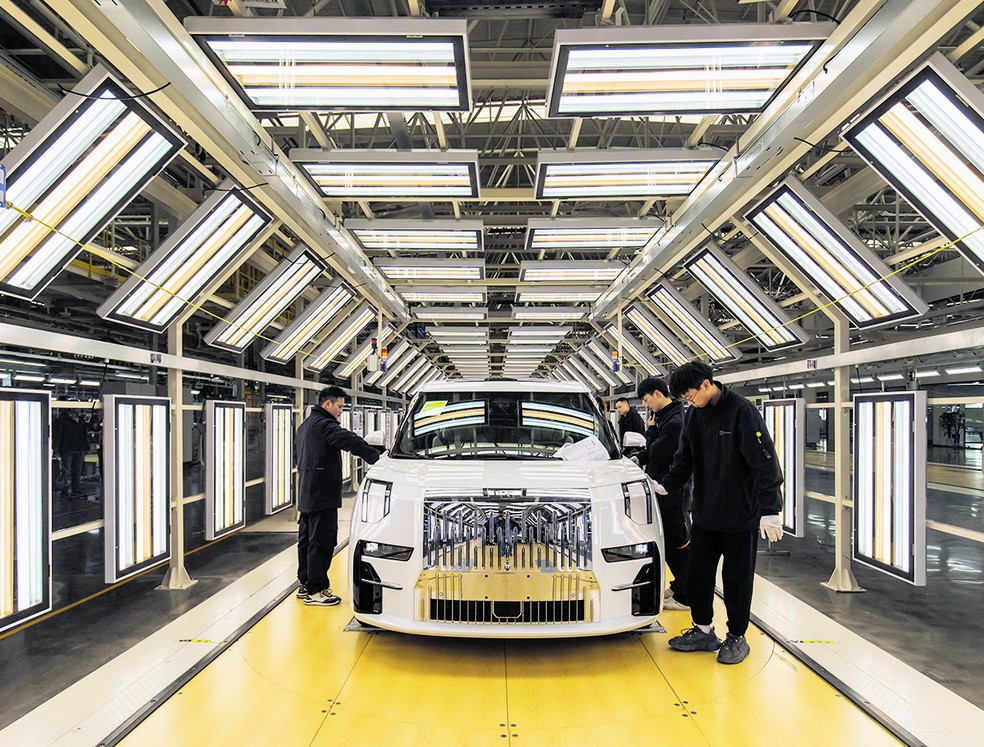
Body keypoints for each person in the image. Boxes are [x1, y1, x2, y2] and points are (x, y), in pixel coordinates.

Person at [652, 360, 783, 665]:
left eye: (690, 396)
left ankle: (737, 636)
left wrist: (770, 508)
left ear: (706, 385)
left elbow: (764, 461)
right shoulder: (694, 417)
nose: (689, 402)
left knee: (736, 580)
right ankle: (702, 630)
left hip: (741, 516)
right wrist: (666, 485)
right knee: (699, 576)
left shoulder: (742, 412)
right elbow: (685, 457)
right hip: (706, 515)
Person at [295, 386, 380, 606]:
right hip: (322, 494)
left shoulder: (304, 426)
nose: (341, 411)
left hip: (306, 492)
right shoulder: (325, 425)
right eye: (340, 406)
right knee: (322, 542)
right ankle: (316, 590)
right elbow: (349, 441)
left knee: (305, 541)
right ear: (327, 404)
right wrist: (378, 459)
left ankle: (305, 585)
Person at [636, 377, 691, 612]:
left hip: (673, 492)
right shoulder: (667, 418)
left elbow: (658, 453)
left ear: (658, 394)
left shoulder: (675, 422)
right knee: (670, 541)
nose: (648, 405)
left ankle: (687, 595)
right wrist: (639, 457)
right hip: (665, 489)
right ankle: (680, 586)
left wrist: (650, 432)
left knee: (678, 542)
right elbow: (653, 452)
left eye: (647, 400)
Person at [53, 409, 89, 498]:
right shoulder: (62, 420)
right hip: (67, 449)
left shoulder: (80, 420)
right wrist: (56, 450)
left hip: (78, 448)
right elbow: (58, 435)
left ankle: (75, 489)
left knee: (77, 470)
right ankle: (65, 491)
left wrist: (86, 447)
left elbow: (84, 434)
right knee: (66, 471)